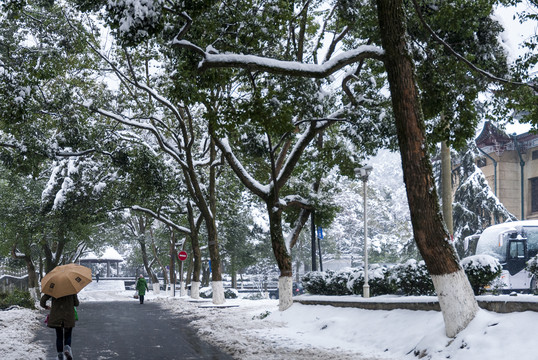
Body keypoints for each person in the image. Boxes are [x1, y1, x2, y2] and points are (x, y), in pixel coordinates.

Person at [40, 293, 79, 360]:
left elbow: (42, 301)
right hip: (68, 316)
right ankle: (67, 349)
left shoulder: (54, 287)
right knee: (68, 335)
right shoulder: (71, 289)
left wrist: (45, 306)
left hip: (57, 316)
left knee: (59, 336)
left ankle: (60, 354)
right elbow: (76, 303)